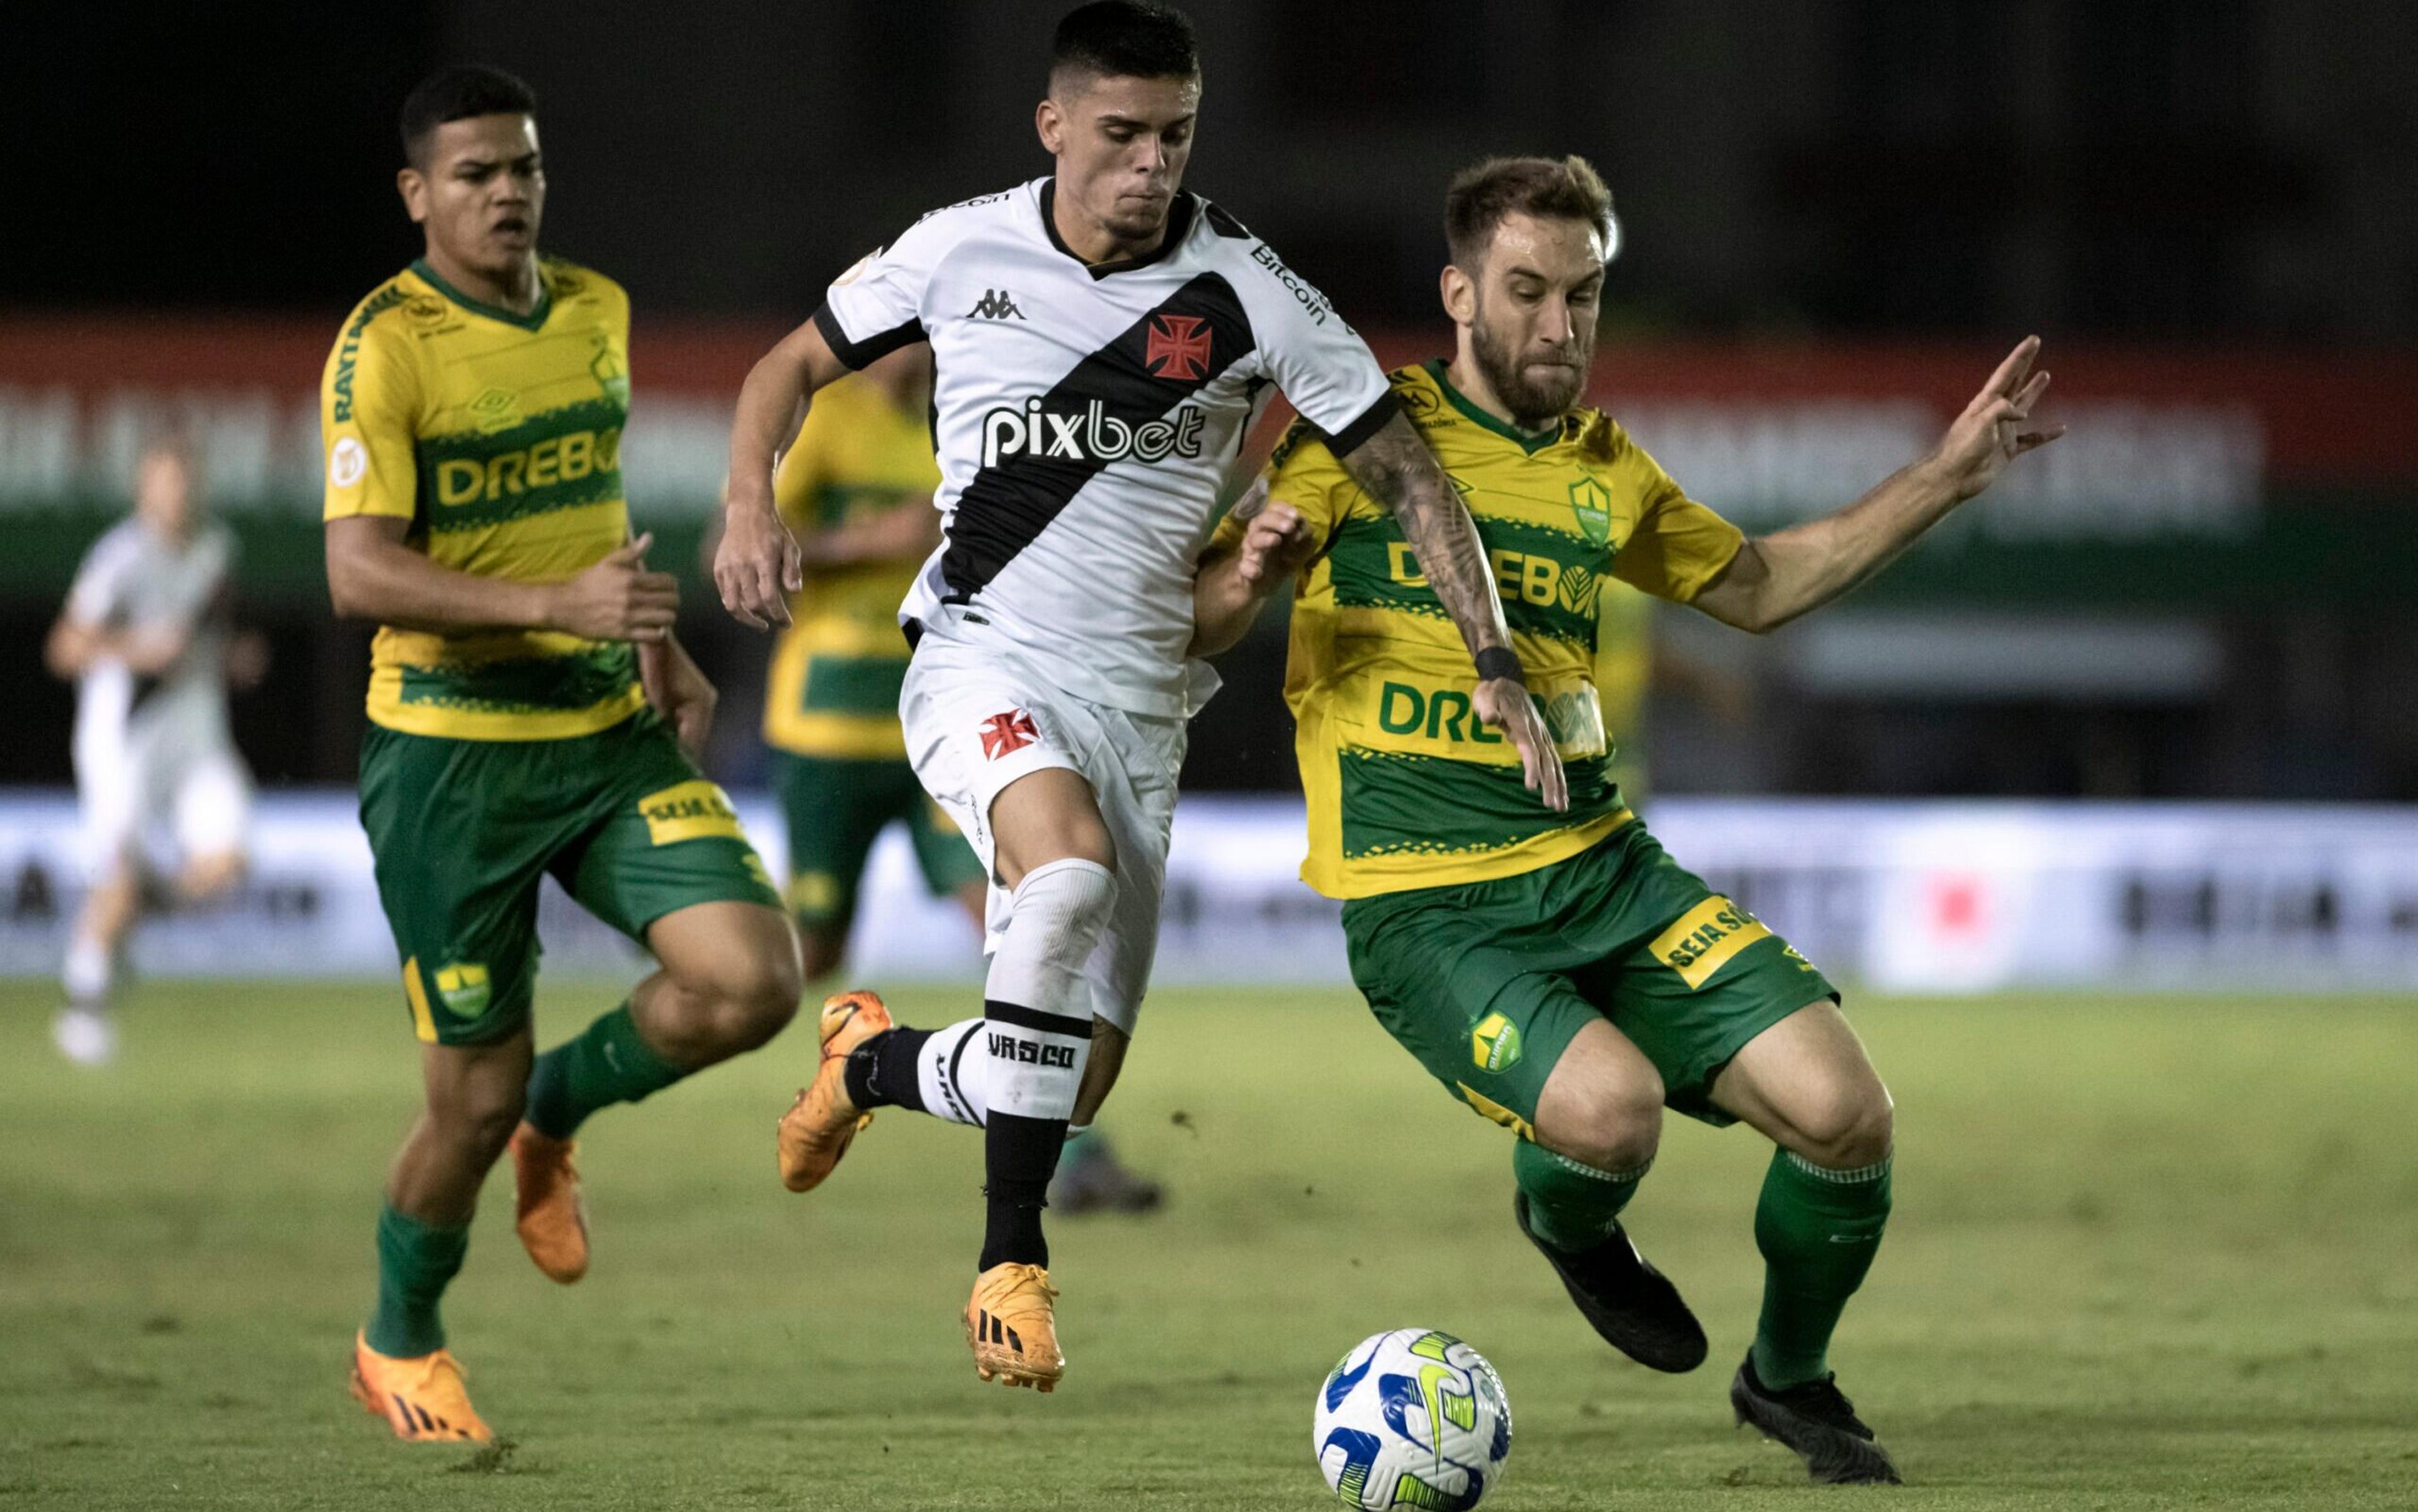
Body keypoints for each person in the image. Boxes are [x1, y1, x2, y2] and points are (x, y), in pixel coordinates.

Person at [716, 1, 1562, 1392]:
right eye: (1119, 135)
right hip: (981, 660)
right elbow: (784, 369)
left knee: (1059, 1081)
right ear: (1054, 127)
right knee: (1061, 888)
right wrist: (749, 501)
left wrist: (1494, 659)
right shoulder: (957, 245)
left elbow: (1409, 471)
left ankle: (869, 1068)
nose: (1149, 164)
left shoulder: (1249, 289)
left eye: (1174, 135)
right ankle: (1009, 1268)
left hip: (1143, 703)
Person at [1191, 154, 2062, 1484]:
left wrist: (1944, 474)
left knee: (1848, 1117)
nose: (1559, 326)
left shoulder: (1610, 470)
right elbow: (1196, 616)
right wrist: (1250, 576)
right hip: (1429, 908)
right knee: (1613, 1114)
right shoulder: (1359, 439)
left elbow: (1765, 586)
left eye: (1584, 296)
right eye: (1528, 291)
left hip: (1605, 873)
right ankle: (1576, 1228)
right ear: (1461, 293)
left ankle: (1787, 1376)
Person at [321, 64, 799, 1442]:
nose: (509, 193)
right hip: (451, 769)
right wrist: (555, 608)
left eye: (524, 167)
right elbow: (357, 573)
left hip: (602, 733)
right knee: (456, 1107)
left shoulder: (596, 309)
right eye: (475, 174)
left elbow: (583, 509)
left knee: (751, 981)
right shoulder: (385, 348)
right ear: (419, 196)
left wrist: (655, 638)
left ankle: (557, 1112)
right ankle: (397, 1338)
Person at [759, 348, 1162, 1212]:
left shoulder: (965, 420)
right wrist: (873, 540)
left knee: (1032, 916)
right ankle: (722, 992)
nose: (918, 335)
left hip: (955, 716)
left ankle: (1067, 1144)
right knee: (816, 947)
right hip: (829, 720)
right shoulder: (824, 420)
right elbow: (769, 553)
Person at [45, 438, 262, 1066]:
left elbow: (206, 638)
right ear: (144, 489)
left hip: (197, 737)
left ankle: (142, 902)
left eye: (186, 481)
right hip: (125, 744)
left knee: (228, 864)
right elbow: (64, 648)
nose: (178, 494)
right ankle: (81, 1009)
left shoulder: (219, 550)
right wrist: (139, 649)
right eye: (165, 482)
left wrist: (232, 659)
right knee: (117, 877)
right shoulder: (120, 557)